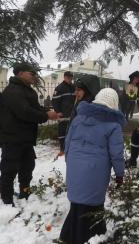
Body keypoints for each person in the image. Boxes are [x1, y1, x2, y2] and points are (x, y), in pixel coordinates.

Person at [60, 88, 125, 244]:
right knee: (92, 204)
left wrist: (70, 162)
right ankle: (91, 236)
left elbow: (67, 143)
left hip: (75, 163)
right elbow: (116, 154)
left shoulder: (78, 118)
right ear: (114, 103)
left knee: (77, 202)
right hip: (96, 168)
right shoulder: (113, 125)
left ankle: (70, 234)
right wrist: (119, 174)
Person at [0, 62, 60, 205]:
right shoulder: (13, 91)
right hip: (12, 138)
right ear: (20, 73)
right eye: (31, 73)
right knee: (9, 170)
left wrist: (46, 111)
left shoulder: (27, 90)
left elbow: (35, 107)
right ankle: (6, 199)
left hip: (25, 138)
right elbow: (25, 112)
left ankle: (25, 193)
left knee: (27, 167)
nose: (34, 76)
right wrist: (46, 116)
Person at [52, 71, 75, 155]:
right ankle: (62, 149)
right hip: (63, 115)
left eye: (71, 78)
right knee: (62, 133)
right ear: (64, 77)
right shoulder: (59, 88)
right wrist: (57, 112)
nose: (70, 79)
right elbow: (54, 101)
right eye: (68, 77)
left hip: (72, 115)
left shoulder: (73, 87)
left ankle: (70, 148)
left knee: (72, 132)